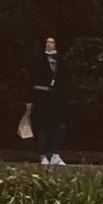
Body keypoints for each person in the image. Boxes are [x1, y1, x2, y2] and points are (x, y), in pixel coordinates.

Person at [25, 36, 69, 165]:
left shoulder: (61, 61)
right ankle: (43, 155)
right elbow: (31, 81)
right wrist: (30, 100)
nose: (49, 45)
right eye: (47, 43)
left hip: (57, 101)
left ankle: (55, 154)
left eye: (51, 42)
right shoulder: (38, 60)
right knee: (43, 127)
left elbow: (64, 81)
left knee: (59, 127)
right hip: (42, 100)